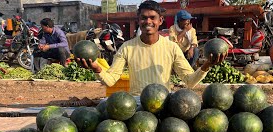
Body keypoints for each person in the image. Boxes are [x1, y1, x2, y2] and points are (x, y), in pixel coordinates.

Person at [77, 0, 227, 96]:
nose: (148, 21)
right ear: (138, 20)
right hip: (137, 103)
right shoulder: (127, 48)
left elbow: (189, 81)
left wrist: (207, 65)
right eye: (143, 17)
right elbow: (110, 80)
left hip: (163, 102)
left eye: (152, 18)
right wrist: (96, 68)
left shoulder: (171, 48)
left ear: (160, 20)